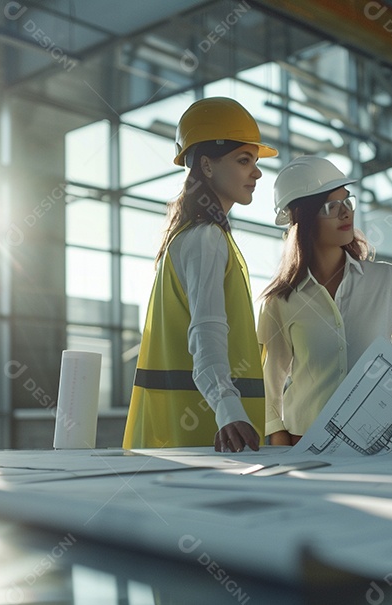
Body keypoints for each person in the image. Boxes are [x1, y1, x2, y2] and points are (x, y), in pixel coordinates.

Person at [123, 97, 277, 452]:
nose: (256, 173)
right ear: (206, 166)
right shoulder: (206, 238)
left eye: (254, 162)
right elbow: (206, 333)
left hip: (189, 432)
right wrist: (228, 410)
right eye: (244, 160)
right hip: (204, 433)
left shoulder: (197, 235)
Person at [258, 157, 392, 445]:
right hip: (304, 440)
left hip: (382, 438)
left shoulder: (391, 281)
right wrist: (279, 441)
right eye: (331, 206)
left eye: (347, 202)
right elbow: (270, 384)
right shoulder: (279, 302)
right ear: (304, 217)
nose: (345, 213)